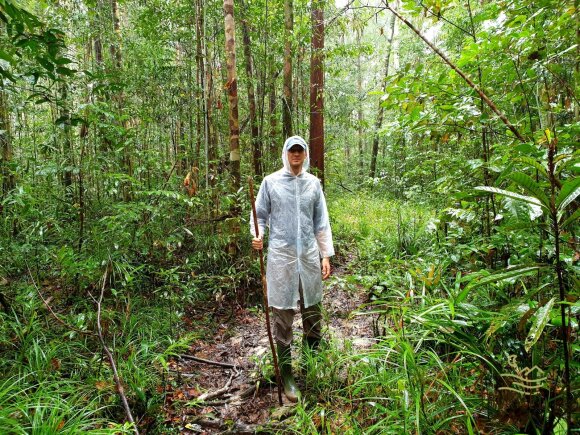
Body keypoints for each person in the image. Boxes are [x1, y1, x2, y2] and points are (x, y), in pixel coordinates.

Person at [250, 135, 334, 402]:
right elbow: (259, 214)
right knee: (283, 315)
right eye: (292, 150)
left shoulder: (313, 184)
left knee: (312, 310)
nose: (296, 155)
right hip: (281, 258)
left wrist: (325, 255)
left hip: (308, 257)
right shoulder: (271, 182)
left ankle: (312, 366)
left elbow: (321, 222)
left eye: (300, 150)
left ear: (306, 154)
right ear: (285, 153)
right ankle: (287, 376)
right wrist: (258, 233)